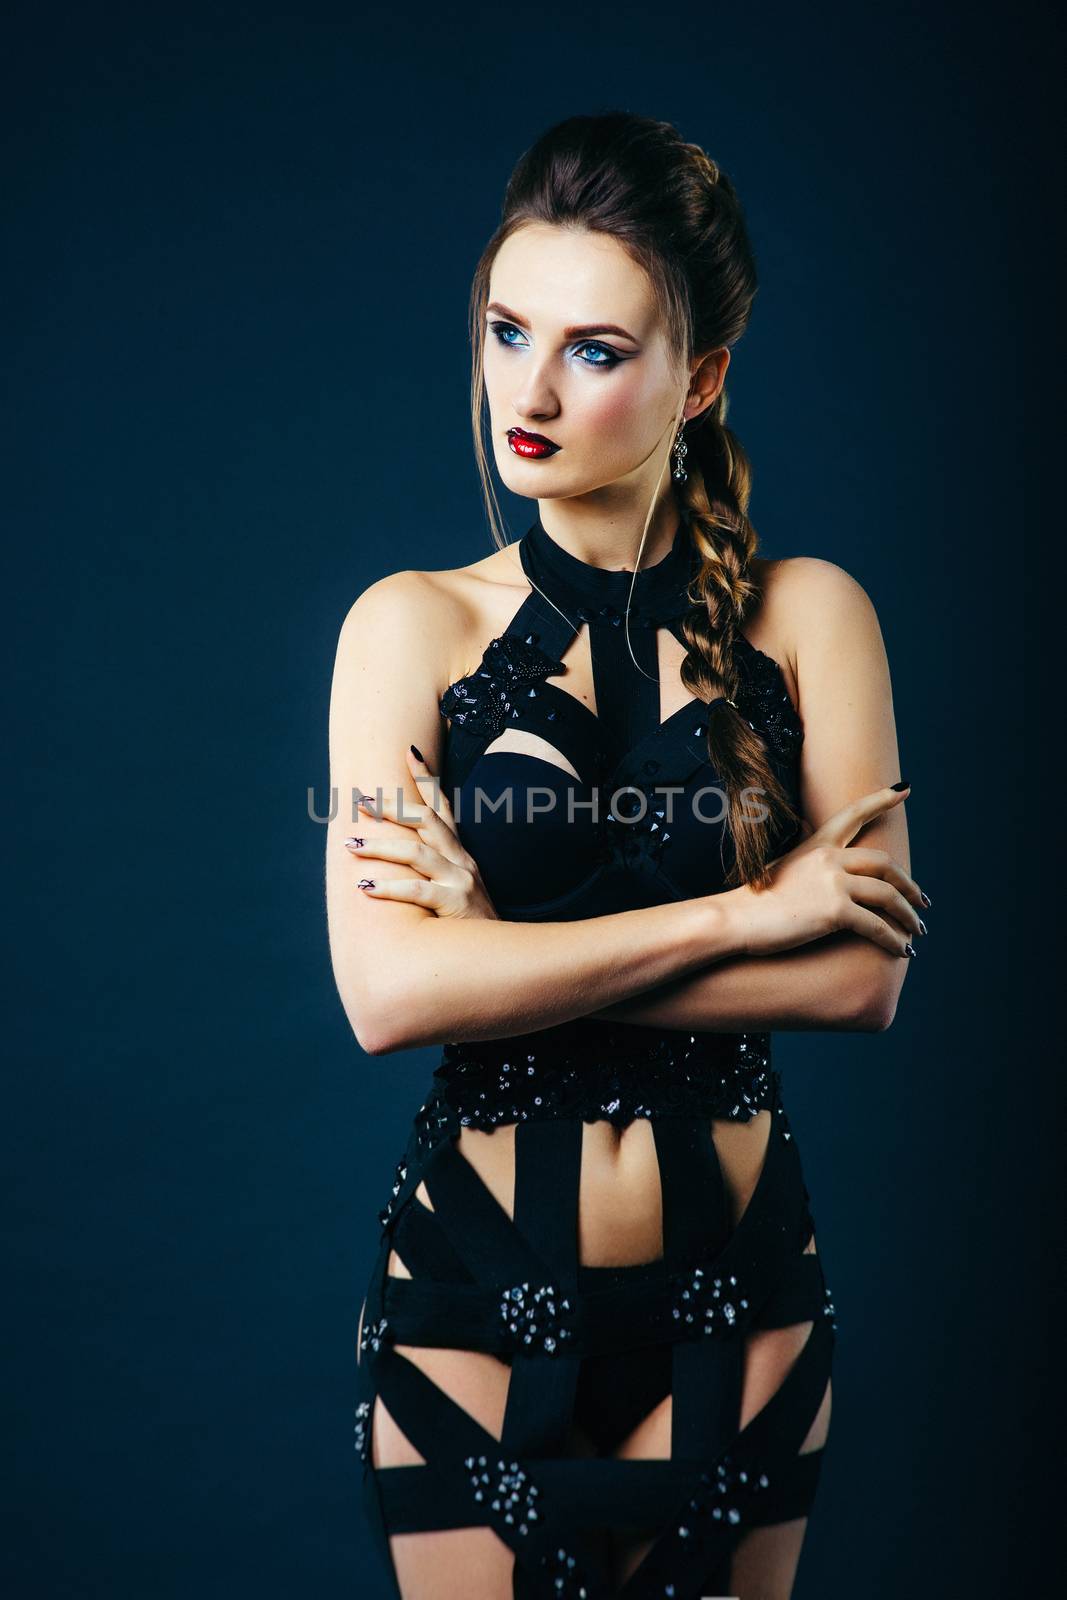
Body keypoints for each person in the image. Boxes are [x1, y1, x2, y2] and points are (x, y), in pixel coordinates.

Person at [326, 110, 925, 1600]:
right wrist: (749, 915)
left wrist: (507, 966)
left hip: (743, 1296)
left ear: (699, 380)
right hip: (468, 1298)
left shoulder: (812, 620)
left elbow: (861, 981)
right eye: (506, 330)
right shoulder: (407, 627)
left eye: (592, 350)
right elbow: (390, 997)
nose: (526, 391)